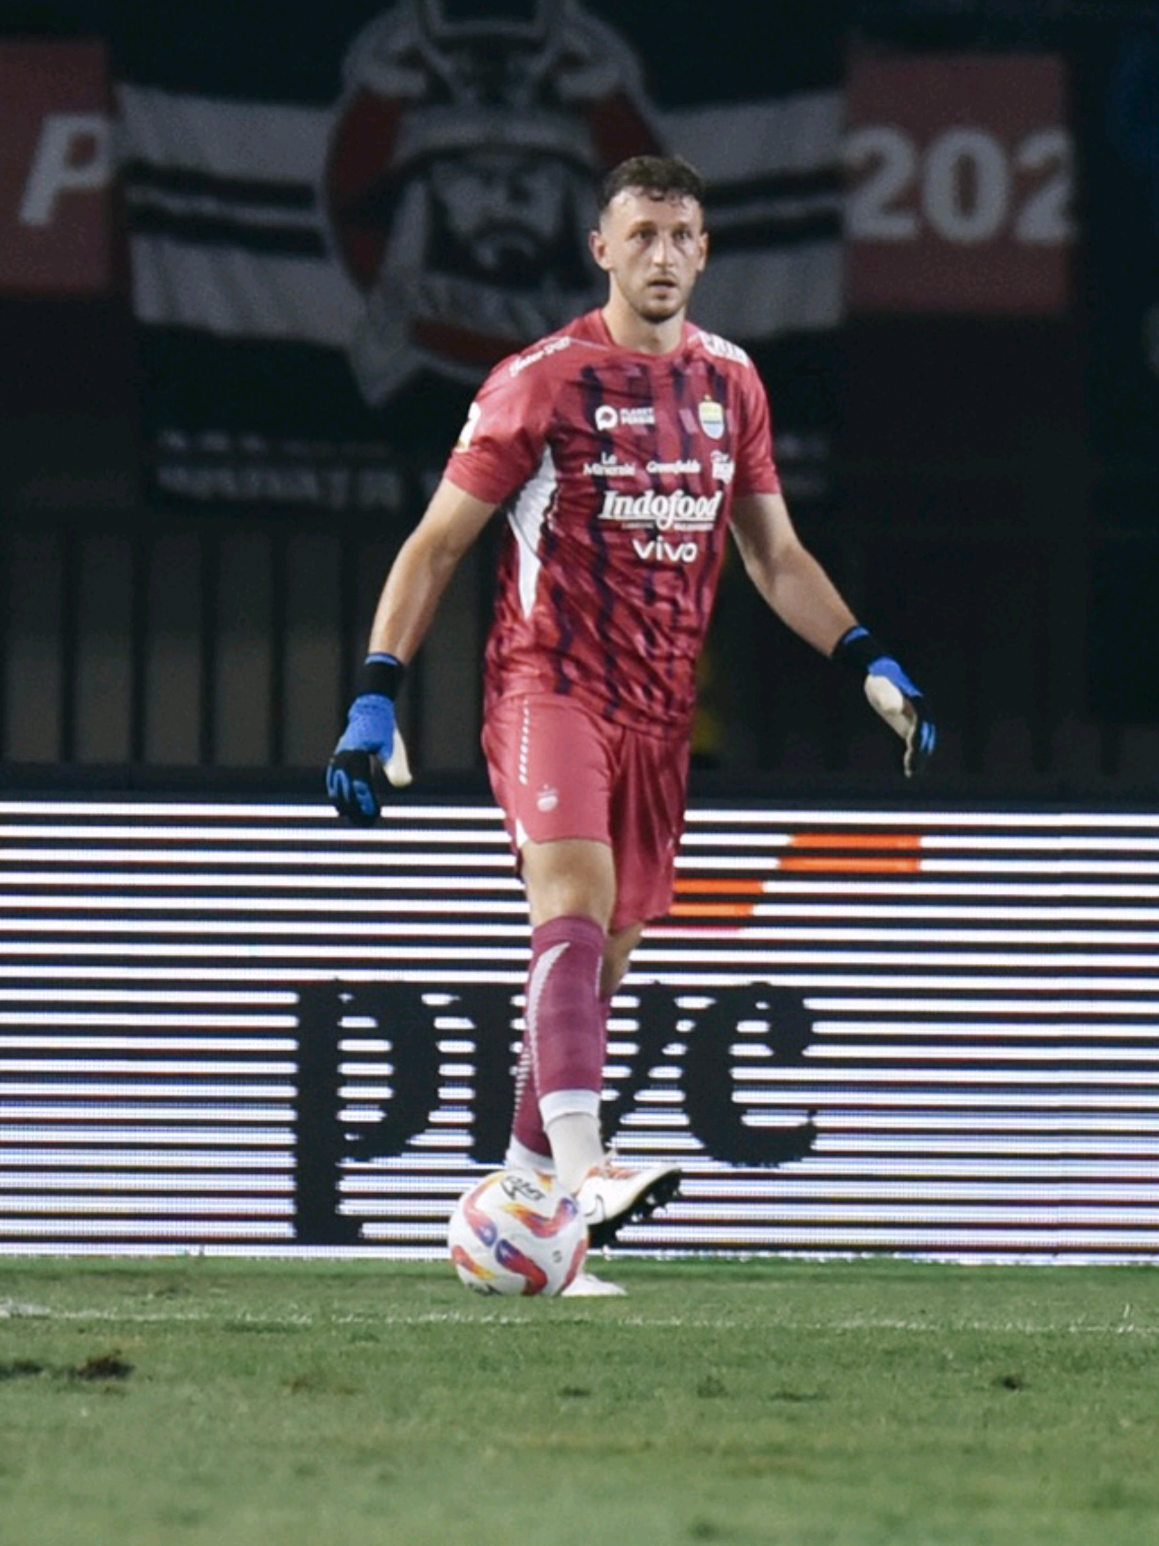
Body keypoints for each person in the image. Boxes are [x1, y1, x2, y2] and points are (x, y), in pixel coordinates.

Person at [326, 154, 936, 1294]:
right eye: (641, 233)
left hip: (661, 716)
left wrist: (866, 657)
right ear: (600, 249)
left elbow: (774, 554)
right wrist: (375, 688)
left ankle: (526, 1216)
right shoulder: (541, 381)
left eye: (681, 235)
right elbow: (435, 543)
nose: (662, 254)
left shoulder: (731, 385)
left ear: (704, 252)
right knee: (572, 898)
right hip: (546, 685)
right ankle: (587, 1166)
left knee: (599, 958)